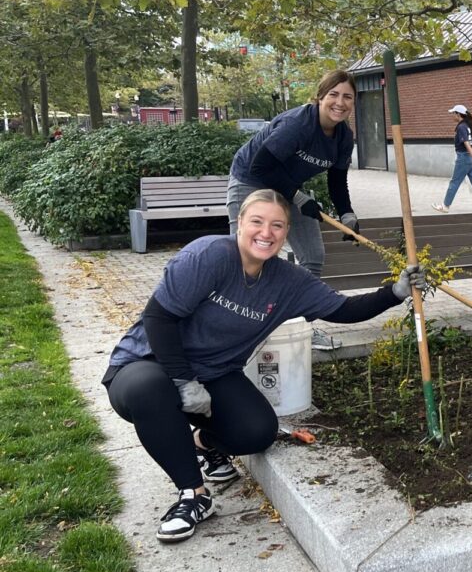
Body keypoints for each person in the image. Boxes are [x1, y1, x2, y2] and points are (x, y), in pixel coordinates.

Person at [103, 189, 425, 544]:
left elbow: (343, 310)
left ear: (286, 232)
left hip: (216, 372)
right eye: (257, 221)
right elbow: (158, 317)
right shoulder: (209, 256)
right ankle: (193, 494)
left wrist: (395, 292)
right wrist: (184, 381)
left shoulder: (288, 282)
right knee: (151, 392)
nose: (266, 233)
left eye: (277, 225)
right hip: (149, 362)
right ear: (239, 223)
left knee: (256, 432)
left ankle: (200, 441)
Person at [226, 70, 359, 350]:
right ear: (320, 97)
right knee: (246, 258)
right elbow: (260, 167)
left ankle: (297, 327)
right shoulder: (297, 124)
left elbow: (337, 180)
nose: (340, 102)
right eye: (333, 94)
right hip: (250, 181)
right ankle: (241, 333)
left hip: (287, 186)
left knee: (313, 256)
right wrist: (298, 198)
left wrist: (347, 214)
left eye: (347, 96)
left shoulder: (344, 137)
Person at [431, 104, 472, 213]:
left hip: (464, 157)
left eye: (453, 113)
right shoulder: (469, 125)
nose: (452, 115)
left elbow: (466, 143)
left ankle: (445, 206)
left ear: (458, 114)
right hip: (471, 157)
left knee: (454, 182)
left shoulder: (461, 127)